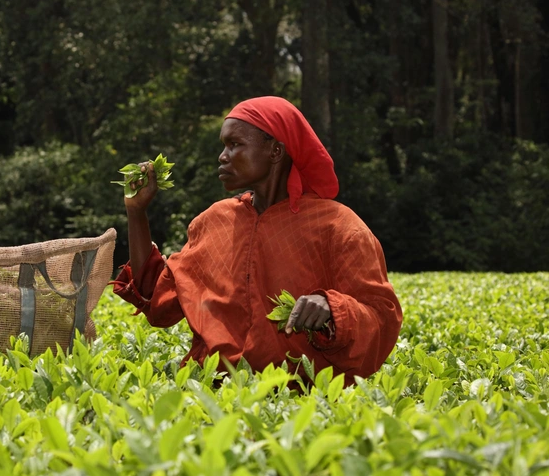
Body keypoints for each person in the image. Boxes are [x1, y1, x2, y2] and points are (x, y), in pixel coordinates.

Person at [113, 96, 402, 386]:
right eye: (224, 145)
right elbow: (158, 300)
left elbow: (381, 318)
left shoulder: (339, 227)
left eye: (235, 144)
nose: (222, 156)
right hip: (212, 395)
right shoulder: (213, 222)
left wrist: (332, 308)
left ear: (275, 150)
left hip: (299, 401)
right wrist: (136, 213)